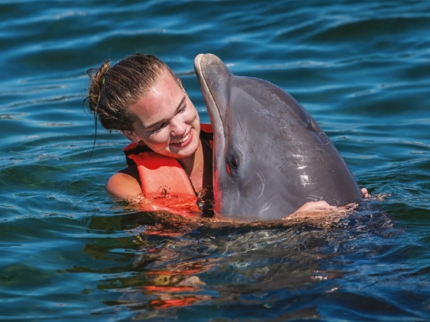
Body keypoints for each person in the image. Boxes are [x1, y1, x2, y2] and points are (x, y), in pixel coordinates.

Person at [86, 53, 368, 217]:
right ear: (131, 134)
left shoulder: (223, 140)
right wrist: (290, 223)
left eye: (182, 108)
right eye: (159, 126)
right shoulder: (126, 186)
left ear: (184, 89)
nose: (180, 129)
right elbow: (180, 230)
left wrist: (358, 208)